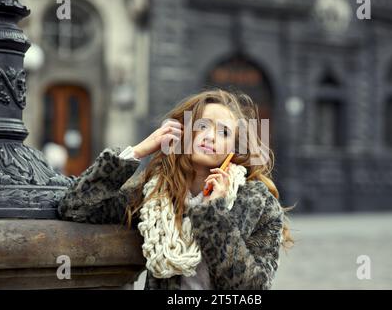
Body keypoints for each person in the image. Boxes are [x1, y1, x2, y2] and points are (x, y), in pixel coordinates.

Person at [58, 89, 294, 290]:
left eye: (224, 132)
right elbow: (77, 207)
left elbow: (252, 287)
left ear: (234, 147)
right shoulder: (154, 194)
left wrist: (214, 214)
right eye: (202, 126)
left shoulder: (258, 202)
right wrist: (138, 151)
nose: (210, 136)